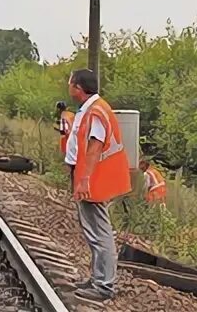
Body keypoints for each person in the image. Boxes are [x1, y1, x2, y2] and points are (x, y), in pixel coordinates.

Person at [65, 68, 132, 303]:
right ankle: (97, 279)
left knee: (100, 233)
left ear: (78, 88)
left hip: (94, 180)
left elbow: (94, 147)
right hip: (91, 177)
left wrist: (84, 180)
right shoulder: (92, 108)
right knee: (94, 231)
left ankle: (103, 286)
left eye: (70, 83)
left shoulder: (96, 111)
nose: (68, 86)